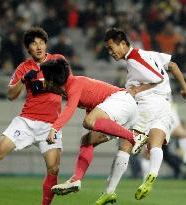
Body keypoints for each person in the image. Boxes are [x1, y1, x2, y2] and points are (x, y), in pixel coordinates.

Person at [94, 28, 186, 205]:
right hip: (165, 105)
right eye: (108, 49)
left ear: (123, 43)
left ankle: (109, 191)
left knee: (125, 144)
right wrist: (185, 88)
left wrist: (136, 90)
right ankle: (152, 174)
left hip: (146, 104)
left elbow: (157, 78)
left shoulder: (133, 59)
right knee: (155, 143)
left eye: (112, 48)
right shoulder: (150, 54)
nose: (110, 52)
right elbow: (173, 66)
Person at [0, 27, 67, 205]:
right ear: (28, 48)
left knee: (54, 168)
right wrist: (23, 80)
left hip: (50, 125)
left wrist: (45, 84)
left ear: (46, 44)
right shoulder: (24, 67)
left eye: (41, 42)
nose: (38, 46)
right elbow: (10, 95)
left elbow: (68, 87)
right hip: (27, 120)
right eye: (33, 43)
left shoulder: (58, 61)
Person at [39, 59, 153, 194]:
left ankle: (134, 137)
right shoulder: (70, 87)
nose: (45, 82)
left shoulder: (74, 83)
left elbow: (69, 109)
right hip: (126, 111)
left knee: (88, 121)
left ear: (52, 80)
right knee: (87, 140)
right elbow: (93, 106)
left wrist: (54, 129)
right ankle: (76, 179)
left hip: (121, 100)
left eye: (46, 79)